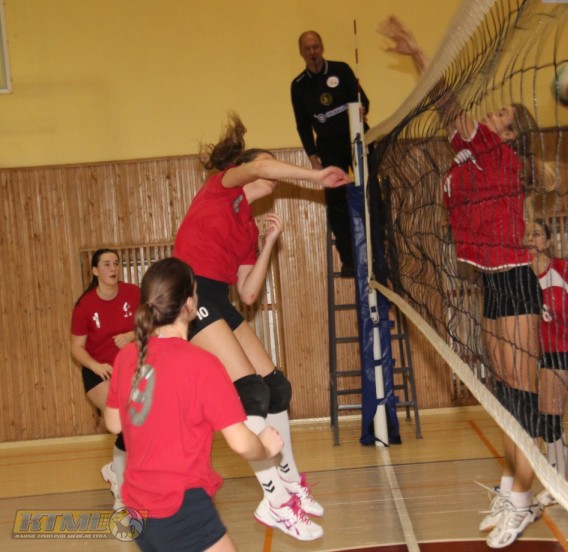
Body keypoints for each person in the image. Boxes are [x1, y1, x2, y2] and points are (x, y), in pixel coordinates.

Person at [379, 16, 547, 548]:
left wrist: (419, 52)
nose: (492, 115)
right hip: (491, 285)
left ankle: (524, 500)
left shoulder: (497, 151)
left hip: (515, 282)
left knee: (521, 398)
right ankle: (515, 488)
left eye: (502, 116)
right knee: (505, 396)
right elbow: (448, 118)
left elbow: (449, 103)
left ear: (511, 135)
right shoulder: (470, 153)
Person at [173, 112, 351, 541]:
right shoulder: (221, 188)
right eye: (265, 164)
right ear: (247, 168)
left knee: (275, 387)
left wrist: (269, 242)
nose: (271, 172)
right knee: (249, 392)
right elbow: (263, 167)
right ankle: (274, 499)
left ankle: (289, 481)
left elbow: (249, 293)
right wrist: (315, 176)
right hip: (190, 296)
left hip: (218, 298)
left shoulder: (247, 226)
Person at [104, 257, 283, 552]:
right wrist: (266, 447)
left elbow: (113, 422)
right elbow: (241, 443)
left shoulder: (127, 357)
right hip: (179, 508)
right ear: (189, 304)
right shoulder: (203, 364)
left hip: (138, 508)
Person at [291, 30, 370, 277]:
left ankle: (378, 251)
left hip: (356, 138)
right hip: (328, 145)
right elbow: (302, 125)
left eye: (316, 47)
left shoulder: (341, 69)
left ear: (322, 47)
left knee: (370, 191)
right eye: (307, 49)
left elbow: (364, 101)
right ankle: (349, 259)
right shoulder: (298, 85)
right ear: (301, 53)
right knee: (336, 202)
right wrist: (312, 155)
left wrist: (360, 111)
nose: (313, 52)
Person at [527, 220, 568, 506]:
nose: (530, 239)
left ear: (548, 242)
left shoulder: (567, 271)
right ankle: (558, 484)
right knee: (549, 417)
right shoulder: (522, 282)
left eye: (536, 234)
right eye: (526, 235)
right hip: (555, 356)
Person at [70, 248, 140, 510]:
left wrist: (132, 335)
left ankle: (115, 470)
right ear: (95, 271)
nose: (113, 268)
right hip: (99, 372)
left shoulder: (133, 293)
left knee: (138, 426)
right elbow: (76, 347)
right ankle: (121, 489)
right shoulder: (85, 306)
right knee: (124, 422)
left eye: (116, 263)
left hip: (131, 369)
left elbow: (153, 324)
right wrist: (96, 366)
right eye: (107, 264)